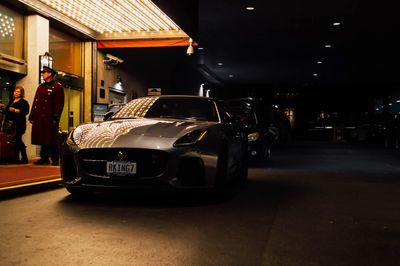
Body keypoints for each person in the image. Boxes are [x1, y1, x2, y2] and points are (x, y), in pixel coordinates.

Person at [29, 66, 65, 165]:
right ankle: (44, 158)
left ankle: (55, 159)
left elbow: (59, 103)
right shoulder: (40, 87)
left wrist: (56, 117)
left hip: (50, 117)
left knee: (52, 139)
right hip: (40, 117)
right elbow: (35, 102)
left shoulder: (57, 87)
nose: (42, 74)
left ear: (50, 74)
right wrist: (32, 115)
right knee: (42, 139)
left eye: (44, 72)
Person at [0, 86, 30, 164]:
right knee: (13, 141)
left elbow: (26, 112)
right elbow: (6, 112)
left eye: (18, 92)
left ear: (21, 93)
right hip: (9, 125)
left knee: (18, 140)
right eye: (15, 91)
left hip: (19, 125)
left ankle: (24, 158)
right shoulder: (11, 101)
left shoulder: (24, 102)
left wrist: (15, 110)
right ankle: (14, 158)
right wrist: (2, 108)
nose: (16, 93)